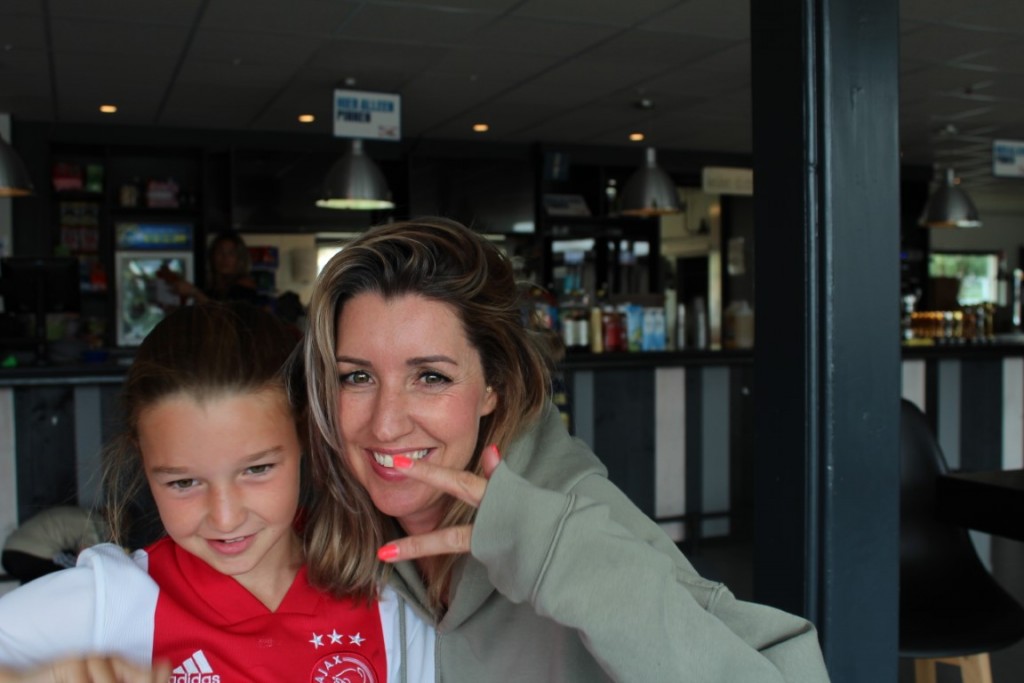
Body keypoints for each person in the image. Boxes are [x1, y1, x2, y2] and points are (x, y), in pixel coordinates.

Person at [300, 217, 831, 682]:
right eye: (358, 377)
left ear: (493, 386)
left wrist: (563, 563)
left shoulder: (575, 518)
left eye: (431, 377)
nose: (386, 424)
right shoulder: (325, 518)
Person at [0, 301, 432, 683]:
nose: (225, 518)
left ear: (305, 435)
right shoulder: (114, 603)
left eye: (256, 470)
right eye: (183, 483)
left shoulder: (389, 595)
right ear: (142, 458)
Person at [2, 506, 108, 584]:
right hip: (30, 552)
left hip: (11, 549)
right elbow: (88, 557)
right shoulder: (96, 526)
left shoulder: (83, 514)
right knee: (79, 572)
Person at [171, 230, 262, 306]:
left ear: (240, 258)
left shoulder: (244, 289)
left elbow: (225, 316)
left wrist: (194, 292)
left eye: (231, 253)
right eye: (219, 252)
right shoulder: (213, 288)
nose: (225, 258)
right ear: (212, 256)